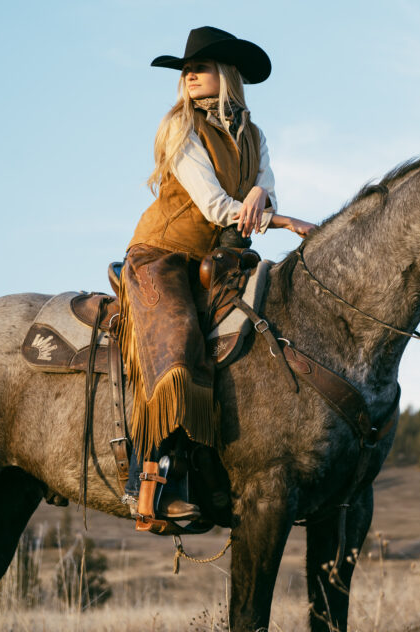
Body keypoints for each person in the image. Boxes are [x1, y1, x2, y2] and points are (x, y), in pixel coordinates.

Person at [118, 26, 314, 522]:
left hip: (222, 258)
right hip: (163, 254)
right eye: (185, 70)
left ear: (226, 75)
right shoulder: (181, 128)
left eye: (199, 68)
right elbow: (214, 204)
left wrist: (263, 199)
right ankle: (154, 481)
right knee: (179, 346)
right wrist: (282, 219)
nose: (188, 76)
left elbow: (262, 191)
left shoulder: (255, 135)